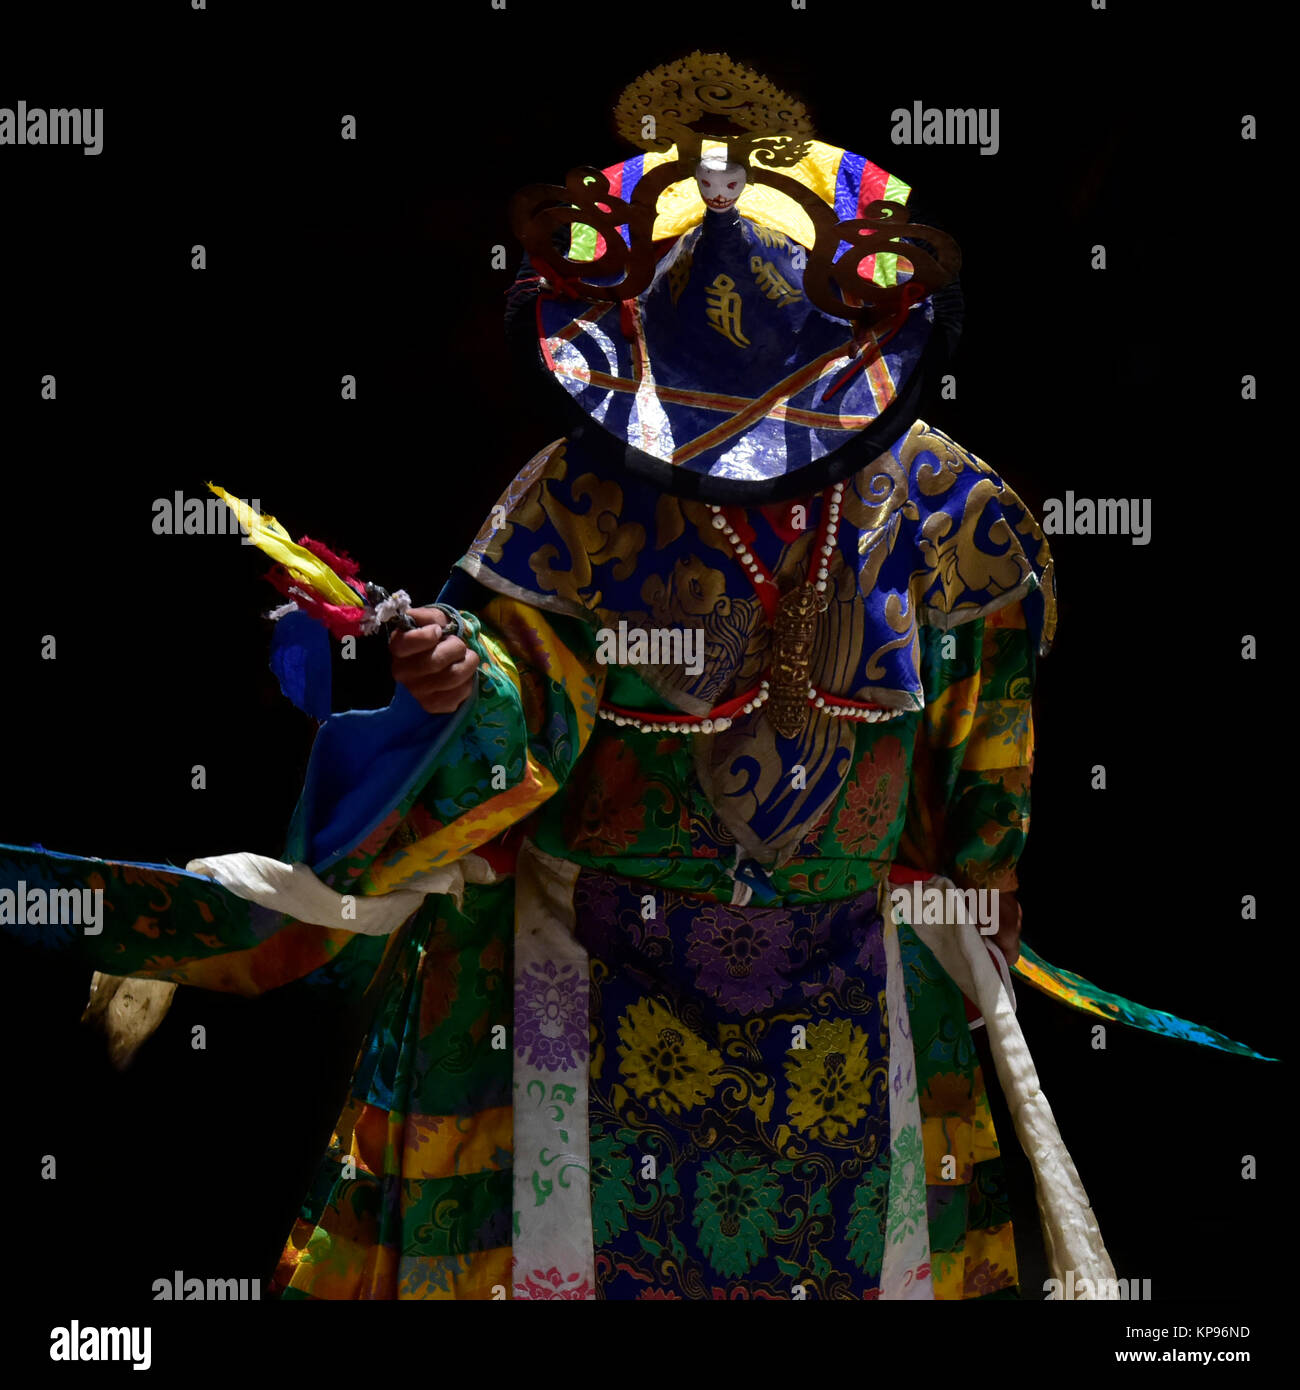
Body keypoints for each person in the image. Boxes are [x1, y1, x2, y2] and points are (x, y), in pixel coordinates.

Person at [0, 53, 1264, 1301]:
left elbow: (987, 732)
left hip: (858, 976)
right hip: (583, 973)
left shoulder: (956, 512)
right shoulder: (578, 496)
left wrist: (983, 879)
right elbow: (519, 712)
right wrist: (456, 684)